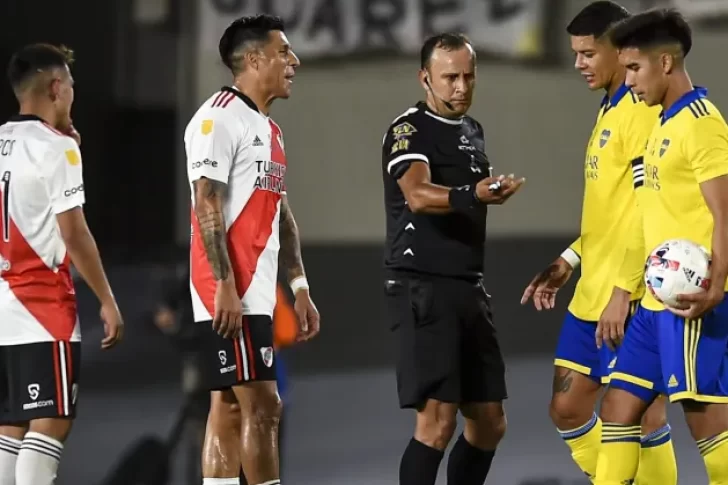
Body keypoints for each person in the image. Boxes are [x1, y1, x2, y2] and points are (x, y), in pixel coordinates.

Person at [520, 2, 678, 482]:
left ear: (619, 50)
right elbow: (610, 211)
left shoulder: (639, 112)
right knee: (567, 408)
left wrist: (624, 291)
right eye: (575, 54)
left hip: (627, 295)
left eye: (588, 54)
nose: (578, 64)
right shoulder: (609, 109)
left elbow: (647, 208)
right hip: (593, 290)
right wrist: (569, 259)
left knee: (639, 416)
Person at [381, 32, 525, 485]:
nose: (461, 87)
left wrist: (485, 191)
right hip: (423, 286)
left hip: (467, 286)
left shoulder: (471, 131)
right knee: (436, 425)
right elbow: (417, 194)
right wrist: (473, 194)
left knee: (489, 423)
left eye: (468, 76)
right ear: (425, 78)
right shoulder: (409, 129)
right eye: (450, 78)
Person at [592, 8, 728, 484]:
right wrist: (625, 289)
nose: (628, 81)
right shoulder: (660, 125)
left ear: (665, 62)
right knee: (617, 408)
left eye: (634, 68)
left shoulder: (702, 124)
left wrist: (716, 286)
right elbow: (647, 216)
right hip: (653, 305)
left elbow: (725, 211)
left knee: (706, 422)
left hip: (690, 301)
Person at [184, 14, 320, 485]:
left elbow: (282, 214)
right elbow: (206, 201)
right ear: (254, 59)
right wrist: (224, 284)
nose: (294, 61)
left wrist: (299, 287)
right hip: (230, 289)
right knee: (264, 406)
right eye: (284, 52)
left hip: (255, 292)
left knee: (228, 407)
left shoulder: (270, 130)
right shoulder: (217, 117)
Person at [0, 43, 124, 485]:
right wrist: (106, 298)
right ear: (56, 88)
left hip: (2, 307)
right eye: (70, 85)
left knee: (11, 426)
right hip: (41, 305)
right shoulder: (56, 149)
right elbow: (74, 233)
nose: (73, 93)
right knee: (51, 422)